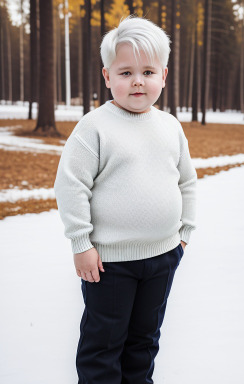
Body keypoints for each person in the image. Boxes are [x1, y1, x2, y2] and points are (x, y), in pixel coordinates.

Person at [54, 15, 197, 384]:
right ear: (107, 77)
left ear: (163, 76)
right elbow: (71, 186)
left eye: (148, 71)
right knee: (103, 347)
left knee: (144, 343)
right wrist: (81, 243)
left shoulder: (170, 126)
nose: (137, 81)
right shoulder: (95, 127)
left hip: (162, 256)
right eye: (126, 72)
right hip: (109, 264)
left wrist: (183, 235)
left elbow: (187, 182)